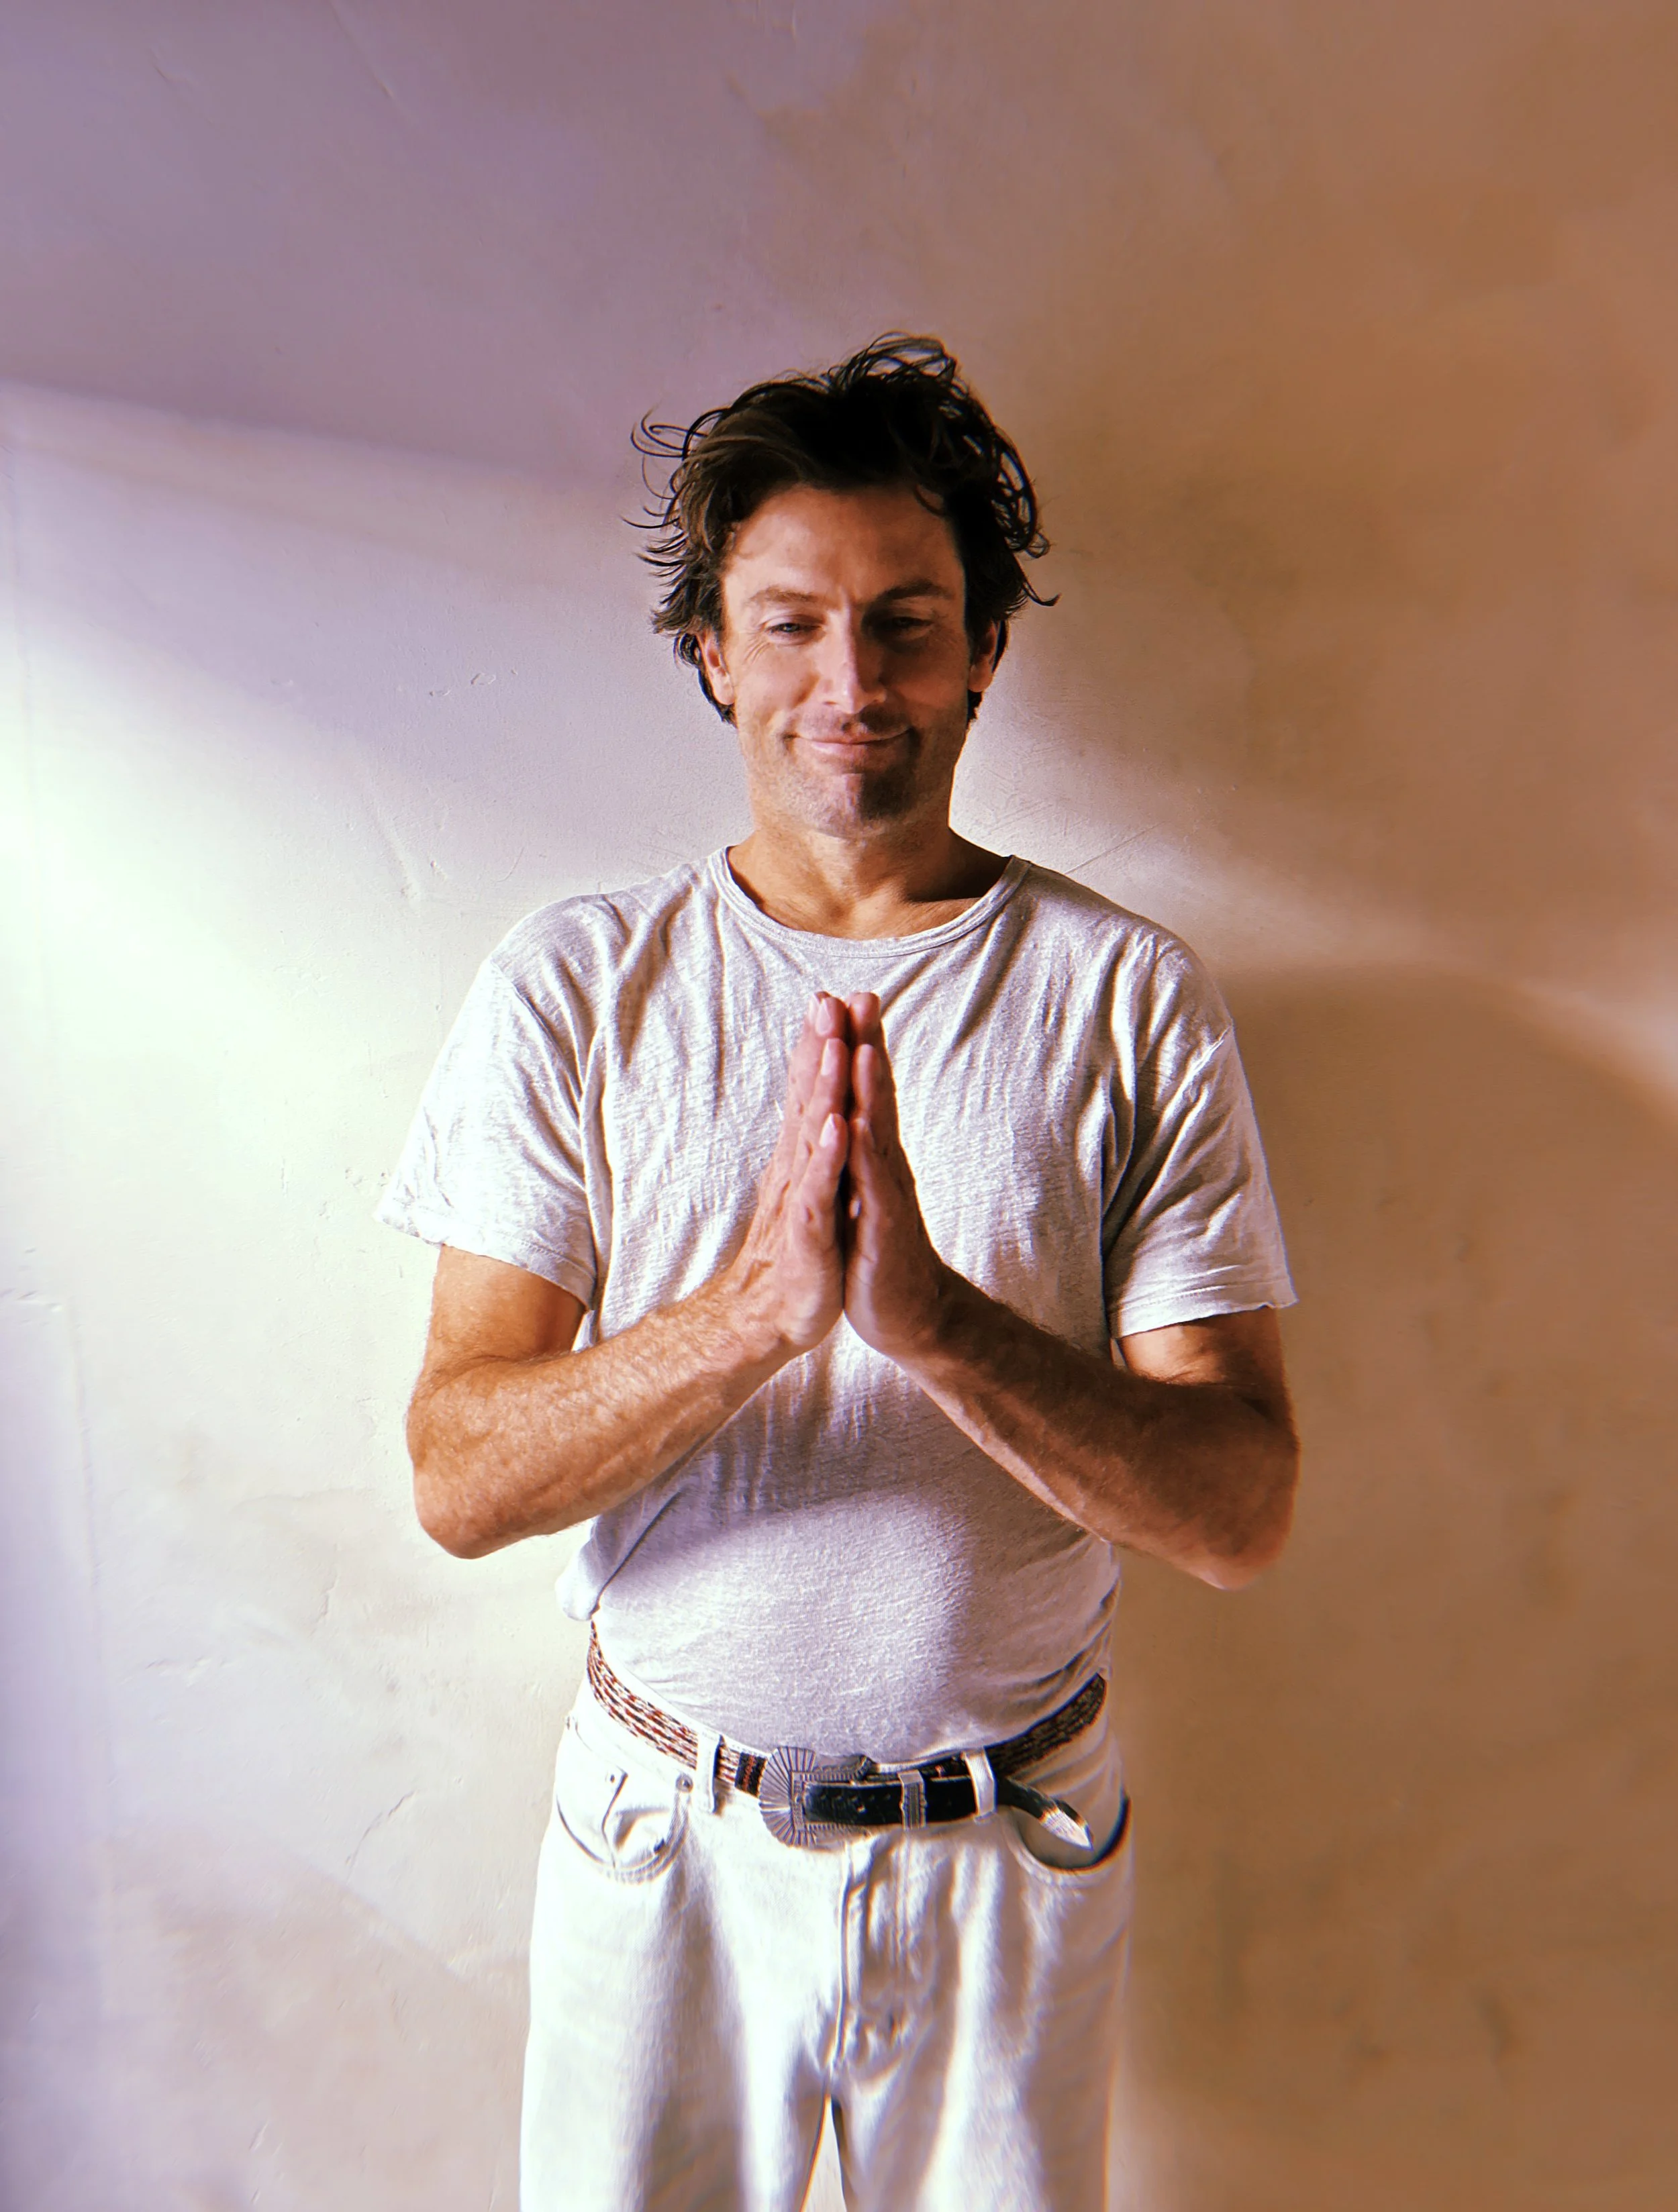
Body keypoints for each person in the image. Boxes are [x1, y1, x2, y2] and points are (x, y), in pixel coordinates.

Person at [377, 335, 1299, 2212]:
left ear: (981, 650)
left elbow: (1236, 1506)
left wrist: (937, 1329)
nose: (849, 682)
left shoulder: (1124, 999)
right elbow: (460, 1478)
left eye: (903, 620)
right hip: (667, 1850)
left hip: (1008, 1849)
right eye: (788, 624)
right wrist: (754, 1321)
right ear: (711, 653)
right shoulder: (576, 987)